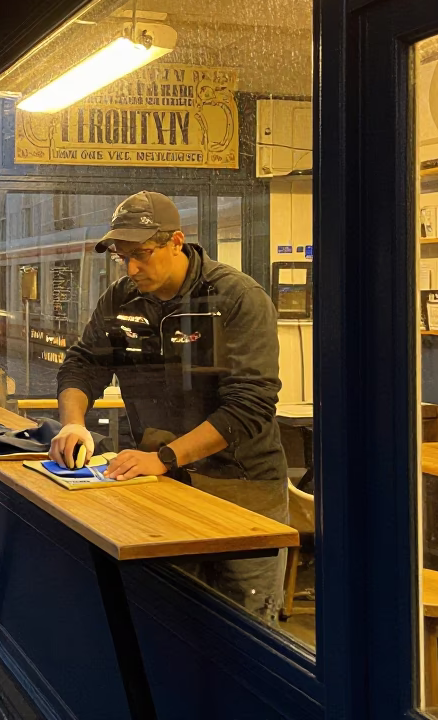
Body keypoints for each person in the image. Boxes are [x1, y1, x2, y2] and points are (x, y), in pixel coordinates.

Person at [50, 191, 289, 622]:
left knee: (248, 631)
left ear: (177, 241)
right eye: (123, 257)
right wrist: (72, 425)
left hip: (242, 493)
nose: (132, 268)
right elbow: (83, 364)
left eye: (141, 254)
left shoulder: (236, 298)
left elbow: (250, 405)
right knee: (175, 621)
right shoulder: (121, 299)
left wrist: (164, 457)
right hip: (163, 488)